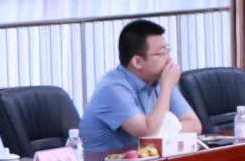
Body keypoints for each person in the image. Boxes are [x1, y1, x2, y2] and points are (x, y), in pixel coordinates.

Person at [80, 18, 200, 153]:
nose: (169, 60)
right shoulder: (112, 88)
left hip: (143, 160)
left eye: (168, 51)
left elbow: (194, 125)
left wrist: (164, 130)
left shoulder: (159, 79)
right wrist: (166, 87)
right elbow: (149, 134)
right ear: (137, 62)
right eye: (161, 54)